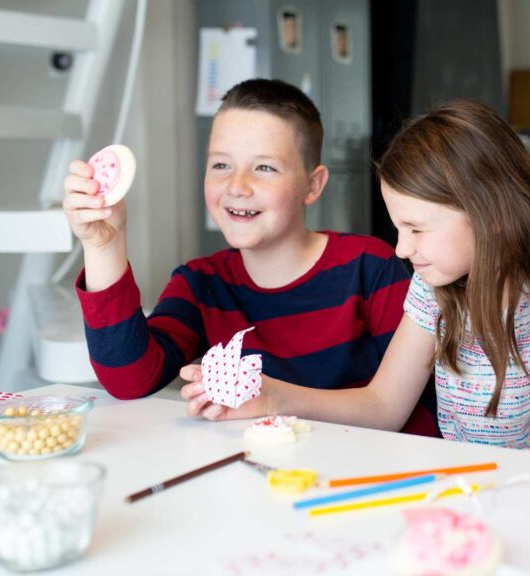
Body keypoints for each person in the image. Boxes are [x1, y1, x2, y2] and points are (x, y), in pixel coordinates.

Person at [183, 100, 530, 453]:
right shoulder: (435, 285)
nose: (400, 249)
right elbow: (383, 406)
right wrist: (273, 396)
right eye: (398, 228)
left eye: (416, 228)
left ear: (491, 215)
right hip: (480, 494)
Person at [62, 78, 438, 436]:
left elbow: (410, 411)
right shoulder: (200, 284)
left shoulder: (370, 267)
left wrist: (277, 400)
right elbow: (129, 379)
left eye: (264, 167)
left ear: (313, 184)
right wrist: (103, 247)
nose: (237, 186)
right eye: (221, 165)